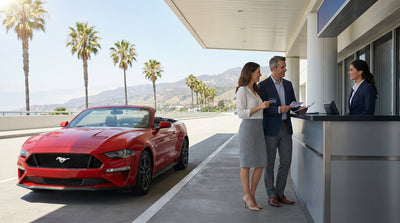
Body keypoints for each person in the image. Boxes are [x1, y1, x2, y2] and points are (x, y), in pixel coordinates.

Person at [258, 56, 306, 207]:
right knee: (270, 163)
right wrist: (278, 109)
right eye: (282, 67)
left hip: (286, 127)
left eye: (285, 67)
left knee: (286, 161)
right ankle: (271, 195)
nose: (285, 69)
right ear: (274, 69)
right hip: (270, 129)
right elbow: (262, 108)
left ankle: (280, 193)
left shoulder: (288, 84)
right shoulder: (263, 85)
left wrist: (300, 109)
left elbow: (293, 103)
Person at [236, 62, 271, 211]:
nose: (260, 74)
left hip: (258, 128)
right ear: (249, 72)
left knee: (261, 163)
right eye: (258, 71)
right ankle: (248, 196)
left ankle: (251, 195)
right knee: (246, 164)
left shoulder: (255, 90)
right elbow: (240, 113)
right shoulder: (242, 90)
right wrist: (260, 106)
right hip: (248, 129)